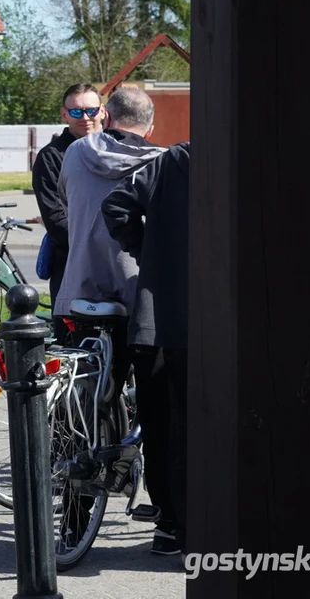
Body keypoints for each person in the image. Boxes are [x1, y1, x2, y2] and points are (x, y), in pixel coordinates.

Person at [55, 87, 166, 552]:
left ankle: (71, 514)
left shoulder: (78, 152)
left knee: (79, 406)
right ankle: (164, 510)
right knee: (160, 403)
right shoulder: (164, 161)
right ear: (151, 124)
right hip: (140, 296)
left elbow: (66, 202)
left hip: (79, 291)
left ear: (107, 115)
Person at [102, 141, 190, 555]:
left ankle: (170, 522)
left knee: (159, 422)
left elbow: (116, 206)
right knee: (198, 423)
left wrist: (148, 252)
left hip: (159, 314)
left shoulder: (173, 160)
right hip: (212, 320)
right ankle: (197, 521)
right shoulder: (250, 159)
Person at [33, 83, 105, 341]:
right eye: (76, 112)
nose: (85, 118)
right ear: (64, 115)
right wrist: (95, 247)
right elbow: (56, 218)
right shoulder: (51, 157)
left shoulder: (117, 150)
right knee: (72, 347)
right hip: (72, 265)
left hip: (115, 266)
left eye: (91, 110)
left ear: (103, 111)